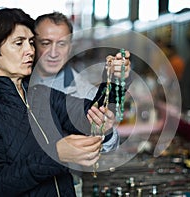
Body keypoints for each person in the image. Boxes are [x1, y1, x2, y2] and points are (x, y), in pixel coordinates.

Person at [0, 8, 131, 196]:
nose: (30, 50)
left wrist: (113, 81)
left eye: (31, 42)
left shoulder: (42, 95)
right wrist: (55, 155)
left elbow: (92, 113)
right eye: (19, 43)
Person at [32, 12, 127, 196]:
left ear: (71, 47)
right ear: (33, 44)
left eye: (62, 43)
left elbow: (110, 146)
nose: (53, 52)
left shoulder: (85, 90)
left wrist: (105, 131)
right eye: (45, 43)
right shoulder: (13, 88)